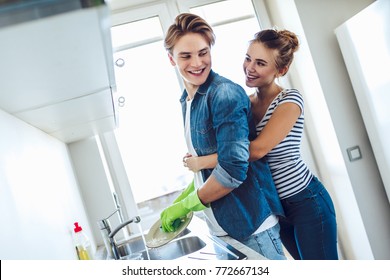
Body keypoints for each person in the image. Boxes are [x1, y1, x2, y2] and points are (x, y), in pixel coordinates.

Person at [184, 29, 339, 260]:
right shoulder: (245, 102)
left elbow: (256, 150)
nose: (249, 67)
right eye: (248, 58)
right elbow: (231, 149)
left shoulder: (290, 101)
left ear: (281, 70)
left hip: (306, 201)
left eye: (260, 63)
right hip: (275, 206)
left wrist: (202, 162)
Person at [159, 13, 286, 260]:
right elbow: (209, 160)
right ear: (171, 59)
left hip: (250, 226)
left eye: (203, 52)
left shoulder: (224, 94)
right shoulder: (188, 100)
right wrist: (187, 194)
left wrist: (188, 204)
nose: (197, 63)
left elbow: (233, 167)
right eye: (186, 56)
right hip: (222, 228)